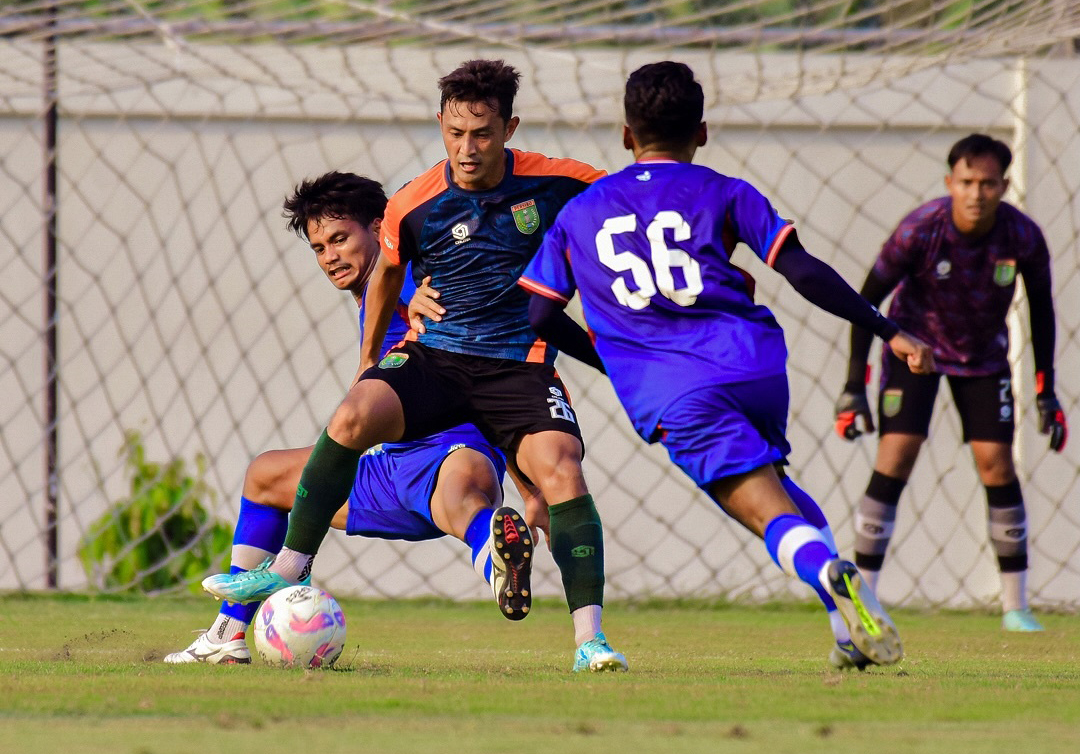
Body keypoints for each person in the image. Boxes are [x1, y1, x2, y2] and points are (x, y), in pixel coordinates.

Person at [203, 61, 628, 672]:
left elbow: (416, 294)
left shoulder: (548, 189)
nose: (467, 147)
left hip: (465, 434)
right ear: (440, 126)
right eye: (455, 133)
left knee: (511, 481)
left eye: (341, 241)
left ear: (508, 128)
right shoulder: (413, 211)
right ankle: (234, 625)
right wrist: (370, 359)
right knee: (286, 462)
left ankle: (582, 633)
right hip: (392, 458)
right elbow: (389, 284)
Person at [516, 61, 935, 670]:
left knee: (764, 511)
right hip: (755, 367)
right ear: (703, 132)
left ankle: (831, 572)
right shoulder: (726, 191)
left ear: (626, 135)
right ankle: (847, 628)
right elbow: (806, 272)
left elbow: (538, 317)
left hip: (677, 392)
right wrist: (889, 330)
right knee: (775, 485)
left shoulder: (581, 213)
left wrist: (611, 358)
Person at [167, 172, 533, 664]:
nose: (330, 256)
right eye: (319, 248)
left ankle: (495, 556)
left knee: (459, 490)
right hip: (390, 469)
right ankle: (227, 636)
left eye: (340, 239)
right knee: (266, 476)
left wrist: (529, 482)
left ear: (380, 227)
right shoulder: (372, 299)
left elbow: (424, 290)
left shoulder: (401, 272)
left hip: (452, 448)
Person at [833, 133, 1067, 632]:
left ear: (1004, 186)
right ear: (949, 182)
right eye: (966, 182)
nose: (976, 193)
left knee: (997, 463)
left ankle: (1015, 607)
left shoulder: (1023, 237)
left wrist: (1047, 389)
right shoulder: (921, 229)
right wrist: (855, 384)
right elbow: (864, 303)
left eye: (987, 183)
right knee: (896, 455)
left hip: (984, 360)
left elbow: (1044, 314)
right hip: (916, 354)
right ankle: (865, 599)